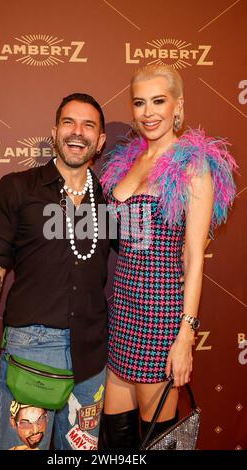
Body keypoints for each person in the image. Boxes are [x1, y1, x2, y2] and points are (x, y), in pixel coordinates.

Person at [100, 64, 237, 449]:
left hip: (161, 313)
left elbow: (195, 257)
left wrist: (185, 335)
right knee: (116, 439)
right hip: (123, 309)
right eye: (140, 102)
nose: (149, 112)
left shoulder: (193, 165)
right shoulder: (130, 161)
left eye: (158, 101)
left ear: (178, 105)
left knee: (156, 440)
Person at [0, 93, 109, 450]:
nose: (78, 132)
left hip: (92, 355)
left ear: (101, 140)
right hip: (32, 348)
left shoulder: (109, 199)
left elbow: (147, 255)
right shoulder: (17, 188)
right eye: (69, 122)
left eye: (88, 125)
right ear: (54, 132)